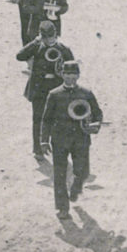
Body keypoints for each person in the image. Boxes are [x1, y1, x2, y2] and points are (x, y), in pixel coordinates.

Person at [40, 59, 102, 219]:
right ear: (62, 74)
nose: (70, 78)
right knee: (59, 174)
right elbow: (46, 119)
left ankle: (76, 188)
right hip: (60, 140)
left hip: (81, 138)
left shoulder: (86, 93)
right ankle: (62, 208)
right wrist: (44, 140)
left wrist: (96, 124)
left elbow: (97, 113)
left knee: (83, 171)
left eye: (73, 75)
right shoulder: (54, 94)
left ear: (78, 76)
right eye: (67, 74)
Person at [16, 21, 73, 159]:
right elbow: (19, 56)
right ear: (41, 36)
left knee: (58, 119)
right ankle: (37, 149)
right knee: (38, 119)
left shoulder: (63, 49)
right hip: (39, 89)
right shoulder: (37, 47)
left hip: (57, 89)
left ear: (56, 35)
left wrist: (63, 73)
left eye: (51, 37)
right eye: (46, 37)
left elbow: (72, 68)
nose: (49, 40)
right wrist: (35, 42)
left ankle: (56, 147)